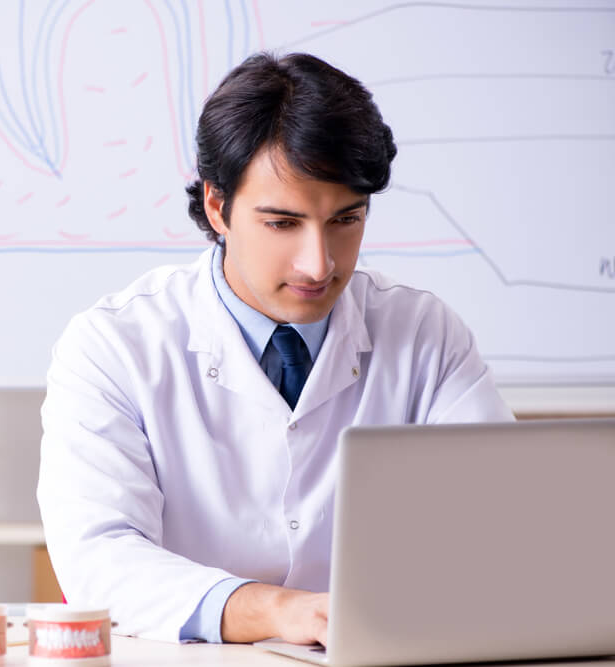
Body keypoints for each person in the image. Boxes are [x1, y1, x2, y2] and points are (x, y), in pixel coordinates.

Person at [36, 52, 514, 646]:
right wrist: (276, 611)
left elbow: (502, 530)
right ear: (218, 206)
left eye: (347, 219)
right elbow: (98, 559)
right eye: (283, 223)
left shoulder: (424, 334)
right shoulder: (113, 345)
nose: (320, 263)